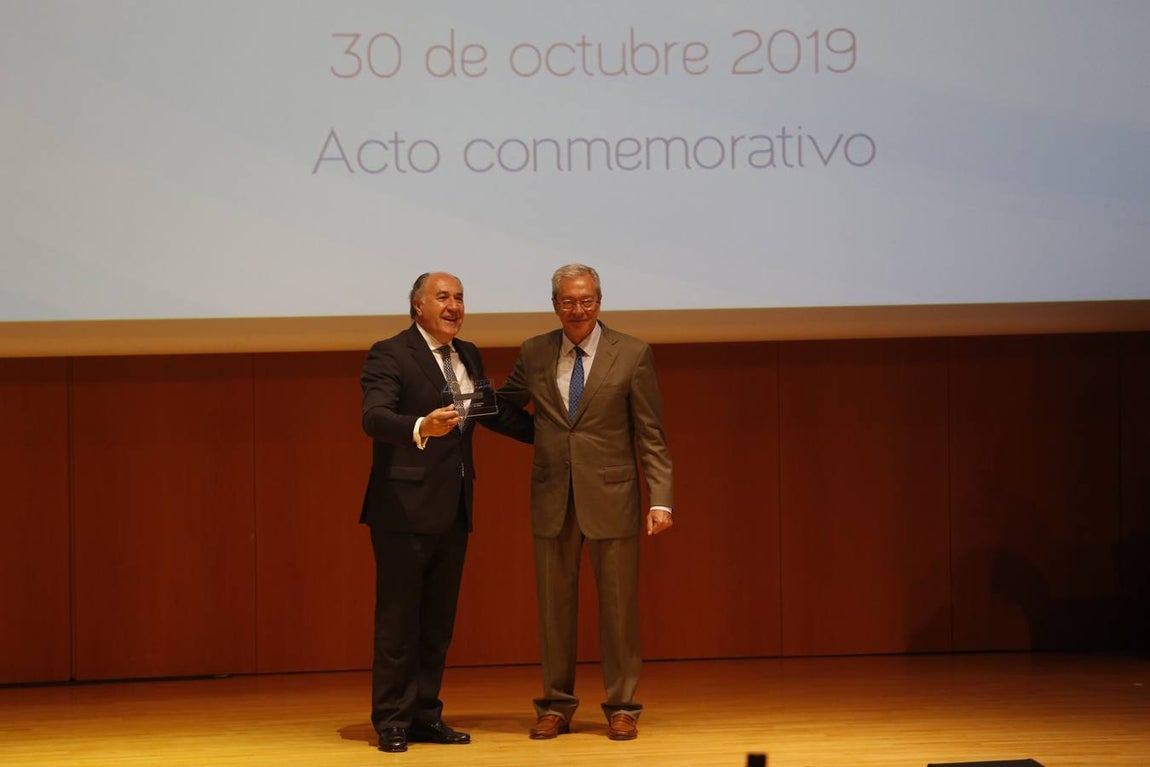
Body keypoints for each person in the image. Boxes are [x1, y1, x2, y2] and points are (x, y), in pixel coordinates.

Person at [359, 271, 533, 753]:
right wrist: (421, 425)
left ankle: (424, 715)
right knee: (399, 622)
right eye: (442, 297)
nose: (454, 305)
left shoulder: (467, 354)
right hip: (402, 509)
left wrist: (554, 437)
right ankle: (392, 722)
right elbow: (374, 417)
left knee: (437, 622)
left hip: (455, 507)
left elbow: (490, 411)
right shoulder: (390, 353)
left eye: (459, 297)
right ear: (418, 307)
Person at [499, 263, 674, 742]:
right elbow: (508, 401)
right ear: (555, 305)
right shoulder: (535, 351)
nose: (579, 310)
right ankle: (555, 705)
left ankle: (623, 706)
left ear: (599, 301)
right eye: (569, 302)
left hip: (613, 496)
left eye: (587, 300)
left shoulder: (633, 353)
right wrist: (529, 433)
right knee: (554, 611)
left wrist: (661, 498)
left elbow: (651, 434)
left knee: (619, 611)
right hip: (552, 496)